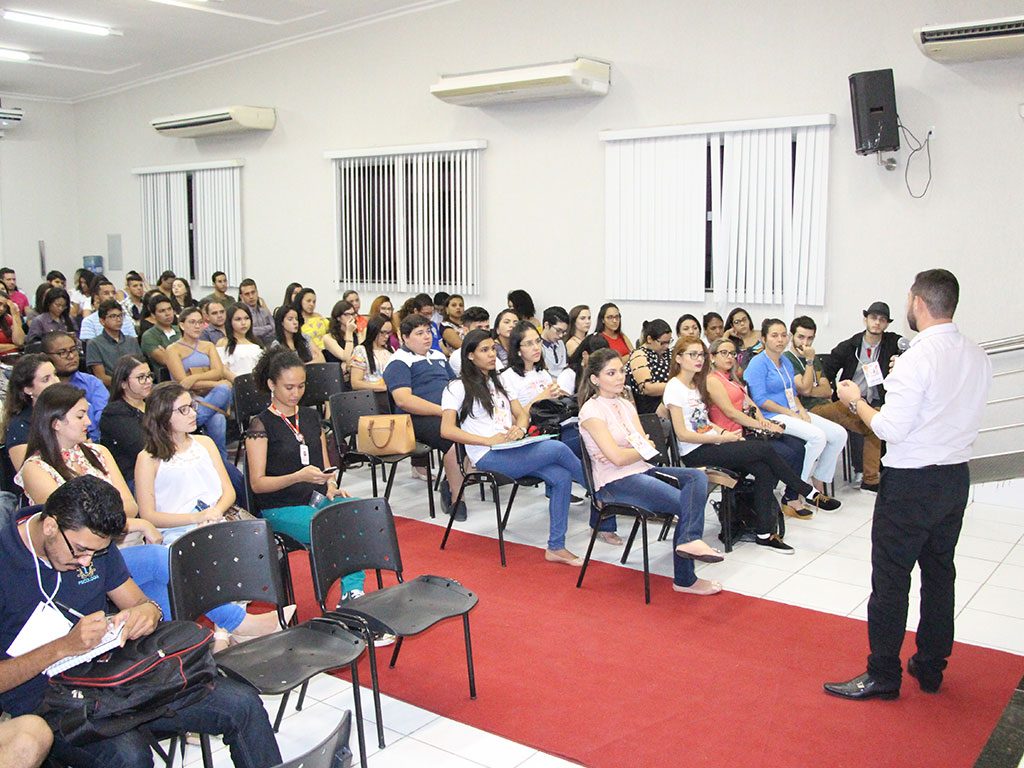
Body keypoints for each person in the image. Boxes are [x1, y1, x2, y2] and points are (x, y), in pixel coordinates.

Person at [0, 475, 284, 768]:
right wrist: (63, 647)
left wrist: (146, 614)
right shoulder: (5, 559)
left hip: (116, 678)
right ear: (50, 526)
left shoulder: (91, 543)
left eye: (95, 553)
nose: (87, 562)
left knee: (243, 704)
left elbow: (141, 604)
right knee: (130, 756)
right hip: (49, 700)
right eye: (81, 551)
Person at [824, 269, 991, 701]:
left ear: (918, 302)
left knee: (892, 579)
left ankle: (883, 673)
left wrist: (855, 401)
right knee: (940, 574)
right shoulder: (976, 354)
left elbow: (892, 428)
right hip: (954, 477)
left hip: (912, 482)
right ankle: (931, 665)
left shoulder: (918, 357)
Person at [135, 382, 287, 646]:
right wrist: (195, 518)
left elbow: (228, 491)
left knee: (247, 548)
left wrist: (215, 511)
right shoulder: (148, 457)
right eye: (183, 410)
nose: (193, 413)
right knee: (209, 557)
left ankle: (226, 630)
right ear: (163, 417)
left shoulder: (204, 443)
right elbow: (148, 514)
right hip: (177, 530)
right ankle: (231, 627)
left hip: (217, 519)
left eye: (191, 406)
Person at [663, 337, 837, 554]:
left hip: (713, 441)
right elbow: (683, 434)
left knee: (763, 469)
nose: (698, 359)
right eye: (692, 355)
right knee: (764, 449)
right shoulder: (674, 387)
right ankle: (807, 491)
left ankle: (765, 534)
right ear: (679, 358)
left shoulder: (695, 386)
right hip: (696, 452)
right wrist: (722, 438)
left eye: (700, 354)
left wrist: (724, 433)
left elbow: (704, 423)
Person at [578, 349, 722, 595]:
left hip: (642, 469)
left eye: (621, 371)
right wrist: (635, 449)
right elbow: (621, 457)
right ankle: (685, 579)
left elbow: (642, 449)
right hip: (614, 481)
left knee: (696, 476)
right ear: (594, 379)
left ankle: (688, 540)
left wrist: (633, 450)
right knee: (683, 503)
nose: (619, 377)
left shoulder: (625, 404)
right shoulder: (591, 412)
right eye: (611, 373)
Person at [441, 329, 586, 565]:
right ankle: (602, 493)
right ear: (469, 356)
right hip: (487, 455)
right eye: (484, 350)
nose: (491, 355)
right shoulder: (457, 387)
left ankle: (556, 547)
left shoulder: (499, 381)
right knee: (557, 449)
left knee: (560, 476)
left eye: (493, 349)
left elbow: (521, 414)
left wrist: (519, 428)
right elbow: (446, 430)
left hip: (513, 447)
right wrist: (488, 440)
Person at [244, 348, 363, 603]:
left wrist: (330, 484)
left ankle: (353, 591)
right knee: (331, 527)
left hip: (315, 498)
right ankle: (350, 594)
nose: (295, 393)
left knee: (357, 513)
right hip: (280, 507)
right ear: (271, 385)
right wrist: (298, 477)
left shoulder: (310, 416)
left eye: (301, 386)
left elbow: (324, 464)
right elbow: (257, 484)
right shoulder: (260, 425)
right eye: (288, 387)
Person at [705, 337, 811, 519]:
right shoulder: (712, 380)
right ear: (712, 357)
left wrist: (764, 423)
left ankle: (791, 497)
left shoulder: (733, 379)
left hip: (749, 430)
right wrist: (762, 425)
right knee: (783, 453)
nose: (729, 357)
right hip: (729, 436)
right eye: (724, 353)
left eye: (732, 353)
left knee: (797, 445)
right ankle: (795, 495)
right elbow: (730, 413)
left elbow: (752, 405)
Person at [744, 319, 845, 501]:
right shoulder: (758, 363)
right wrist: (789, 413)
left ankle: (818, 479)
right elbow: (759, 399)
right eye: (774, 335)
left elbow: (792, 392)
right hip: (771, 415)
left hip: (792, 412)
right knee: (817, 437)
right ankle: (797, 489)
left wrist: (802, 411)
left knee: (839, 434)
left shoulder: (785, 362)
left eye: (783, 335)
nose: (780, 340)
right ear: (764, 338)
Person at [786, 315, 883, 492]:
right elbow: (804, 389)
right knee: (861, 413)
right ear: (791, 336)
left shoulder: (813, 357)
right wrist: (809, 364)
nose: (805, 343)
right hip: (808, 410)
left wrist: (812, 387)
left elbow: (827, 390)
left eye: (810, 338)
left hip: (826, 405)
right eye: (801, 337)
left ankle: (870, 479)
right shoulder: (789, 359)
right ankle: (867, 479)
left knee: (874, 425)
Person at [383, 313, 465, 518]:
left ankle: (452, 480)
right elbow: (404, 400)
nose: (427, 337)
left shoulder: (437, 356)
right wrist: (443, 411)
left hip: (445, 412)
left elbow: (455, 385)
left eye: (428, 332)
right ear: (405, 338)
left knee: (479, 431)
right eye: (419, 333)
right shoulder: (399, 362)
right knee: (454, 439)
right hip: (414, 419)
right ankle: (457, 498)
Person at [163, 307, 233, 461]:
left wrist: (194, 378)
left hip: (213, 396)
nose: (197, 326)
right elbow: (183, 383)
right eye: (192, 322)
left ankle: (191, 422)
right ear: (182, 325)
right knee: (217, 419)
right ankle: (221, 462)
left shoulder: (208, 346)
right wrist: (214, 383)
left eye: (200, 322)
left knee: (224, 390)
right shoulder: (173, 349)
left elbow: (219, 371)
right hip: (189, 399)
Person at [41, 332, 107, 441]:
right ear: (46, 357)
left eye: (73, 350)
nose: (71, 356)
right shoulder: (42, 388)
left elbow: (103, 419)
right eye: (62, 353)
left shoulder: (92, 383)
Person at [99, 356, 154, 480]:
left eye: (149, 375)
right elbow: (143, 448)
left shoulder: (152, 403)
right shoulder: (114, 413)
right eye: (141, 377)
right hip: (134, 477)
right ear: (123, 383)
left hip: (162, 466)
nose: (148, 381)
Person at [3, 354, 58, 470]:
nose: (56, 381)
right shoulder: (19, 425)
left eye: (55, 374)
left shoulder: (72, 412)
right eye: (46, 379)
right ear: (28, 389)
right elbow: (25, 474)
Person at [499, 321, 566, 410]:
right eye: (529, 344)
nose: (536, 348)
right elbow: (515, 418)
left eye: (538, 341)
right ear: (518, 349)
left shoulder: (542, 372)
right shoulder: (507, 377)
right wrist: (542, 397)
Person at [84, 300, 143, 386]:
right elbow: (101, 377)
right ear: (102, 321)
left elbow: (141, 366)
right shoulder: (94, 344)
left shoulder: (131, 340)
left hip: (137, 386)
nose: (118, 319)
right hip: (112, 390)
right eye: (113, 316)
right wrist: (126, 385)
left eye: (120, 316)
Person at [624, 319, 672, 415]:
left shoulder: (669, 354)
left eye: (669, 342)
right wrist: (677, 387)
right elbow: (646, 388)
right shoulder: (639, 355)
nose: (666, 346)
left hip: (669, 402)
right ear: (649, 339)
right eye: (662, 343)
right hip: (650, 408)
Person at [216, 302, 265, 380]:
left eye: (246, 318)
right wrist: (240, 383)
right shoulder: (223, 342)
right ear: (230, 322)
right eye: (238, 319)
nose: (243, 323)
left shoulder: (256, 342)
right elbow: (222, 369)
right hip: (235, 385)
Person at [349, 313, 392, 393]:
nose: (386, 336)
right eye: (382, 332)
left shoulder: (390, 350)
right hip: (370, 396)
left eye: (389, 333)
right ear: (374, 330)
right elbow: (355, 383)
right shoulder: (361, 351)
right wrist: (381, 387)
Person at [556, 333, 609, 397]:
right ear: (584, 354)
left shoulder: (605, 374)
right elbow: (562, 402)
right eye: (597, 359)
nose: (600, 363)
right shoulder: (568, 375)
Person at [139, 293, 181, 369]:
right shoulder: (149, 336)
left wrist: (169, 353)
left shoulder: (180, 329)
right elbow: (166, 360)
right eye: (162, 311)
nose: (168, 314)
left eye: (169, 309)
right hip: (166, 377)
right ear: (153, 315)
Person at [322, 299, 361, 374]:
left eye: (353, 314)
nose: (351, 317)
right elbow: (346, 357)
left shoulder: (357, 334)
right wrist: (349, 332)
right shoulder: (328, 338)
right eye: (347, 314)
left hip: (352, 374)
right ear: (338, 317)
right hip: (335, 376)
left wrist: (347, 364)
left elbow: (361, 357)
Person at [448, 306, 489, 375]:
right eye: (479, 327)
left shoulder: (492, 352)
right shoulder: (458, 356)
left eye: (487, 327)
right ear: (465, 330)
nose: (484, 331)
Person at [724, 307, 762, 374]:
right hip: (740, 379)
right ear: (732, 325)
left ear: (749, 320)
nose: (742, 324)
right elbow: (720, 352)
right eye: (737, 322)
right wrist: (727, 334)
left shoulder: (761, 335)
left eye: (744, 320)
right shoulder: (732, 342)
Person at [238, 278, 275, 345]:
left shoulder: (264, 310)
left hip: (268, 345)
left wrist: (259, 330)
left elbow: (274, 328)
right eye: (247, 294)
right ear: (241, 296)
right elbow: (249, 332)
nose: (251, 296)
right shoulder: (240, 313)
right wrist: (268, 328)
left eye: (253, 292)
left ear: (257, 292)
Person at [540, 306, 570, 376]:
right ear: (546, 325)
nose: (561, 335)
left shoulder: (561, 343)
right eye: (558, 330)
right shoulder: (537, 346)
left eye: (564, 332)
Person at [0, 287, 25, 354]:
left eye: (5, 306)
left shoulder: (8, 318)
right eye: (0, 304)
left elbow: (19, 342)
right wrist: (14, 346)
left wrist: (15, 315)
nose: (2, 308)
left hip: (13, 357)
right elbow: (18, 346)